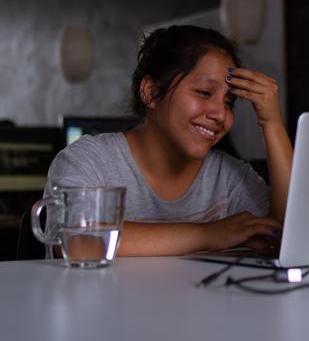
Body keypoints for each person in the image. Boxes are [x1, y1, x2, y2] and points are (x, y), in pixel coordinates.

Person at [44, 25, 293, 256]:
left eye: (229, 103)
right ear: (151, 92)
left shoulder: (228, 177)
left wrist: (271, 123)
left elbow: (288, 237)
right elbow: (77, 244)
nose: (220, 114)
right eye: (204, 93)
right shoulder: (89, 160)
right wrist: (207, 234)